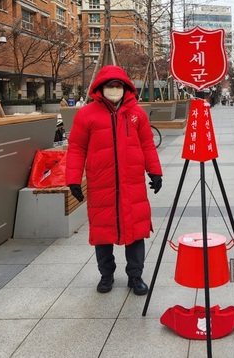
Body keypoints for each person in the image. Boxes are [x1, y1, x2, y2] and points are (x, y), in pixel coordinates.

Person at [65, 65, 163, 295]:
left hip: (132, 183)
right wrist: (73, 179)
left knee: (136, 231)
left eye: (118, 85)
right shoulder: (86, 114)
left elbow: (147, 144)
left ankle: (135, 276)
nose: (114, 89)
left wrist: (155, 172)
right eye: (110, 85)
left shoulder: (136, 114)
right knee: (103, 232)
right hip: (102, 183)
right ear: (100, 88)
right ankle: (106, 275)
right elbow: (77, 148)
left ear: (126, 88)